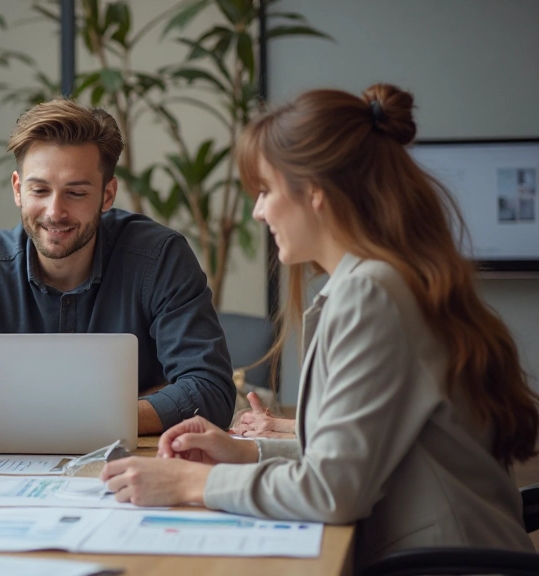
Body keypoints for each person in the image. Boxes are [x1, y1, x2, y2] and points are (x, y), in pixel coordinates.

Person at [101, 84, 539, 568]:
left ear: (314, 192)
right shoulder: (386, 281)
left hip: (442, 564)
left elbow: (335, 491)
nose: (258, 211)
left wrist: (190, 484)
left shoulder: (371, 294)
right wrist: (246, 454)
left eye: (265, 190)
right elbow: (353, 458)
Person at [0, 99, 235, 434]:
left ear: (107, 195)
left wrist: (60, 418)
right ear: (18, 189)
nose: (54, 211)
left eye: (75, 193)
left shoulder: (159, 259)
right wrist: (142, 403)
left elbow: (210, 394)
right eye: (40, 190)